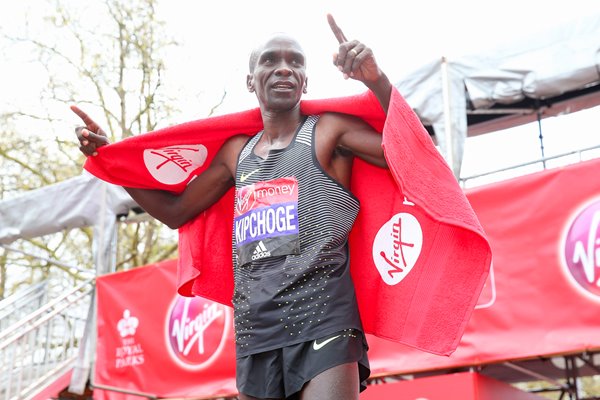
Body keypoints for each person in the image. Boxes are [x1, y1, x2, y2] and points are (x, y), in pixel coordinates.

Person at [73, 14, 392, 400]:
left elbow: (410, 153)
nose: (283, 69)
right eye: (270, 60)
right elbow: (176, 212)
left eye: (295, 62)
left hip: (324, 322)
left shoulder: (328, 132)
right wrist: (110, 160)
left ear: (306, 81)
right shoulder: (235, 155)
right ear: (250, 80)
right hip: (256, 332)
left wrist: (375, 80)